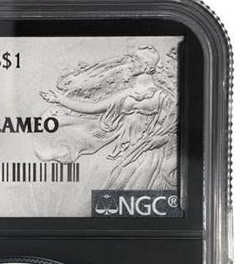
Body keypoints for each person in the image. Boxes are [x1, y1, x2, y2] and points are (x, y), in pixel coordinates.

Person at [40, 46, 177, 190]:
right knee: (117, 190)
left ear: (146, 66)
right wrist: (60, 100)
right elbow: (92, 108)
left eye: (134, 60)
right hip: (128, 154)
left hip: (152, 157)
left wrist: (162, 139)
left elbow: (174, 130)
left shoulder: (163, 97)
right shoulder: (126, 94)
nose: (130, 63)